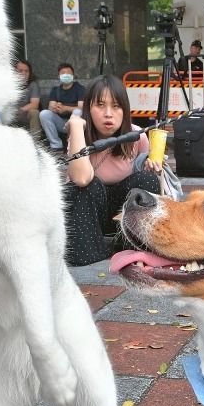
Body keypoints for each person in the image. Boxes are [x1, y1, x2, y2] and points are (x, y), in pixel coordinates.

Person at [64, 76, 160, 266]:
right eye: (100, 105)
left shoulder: (136, 135)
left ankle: (128, 243)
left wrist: (154, 167)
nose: (108, 114)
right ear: (88, 109)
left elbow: (150, 185)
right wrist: (75, 126)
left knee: (147, 179)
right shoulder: (79, 136)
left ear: (124, 110)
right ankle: (92, 248)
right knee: (87, 185)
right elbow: (81, 178)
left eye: (116, 106)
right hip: (88, 213)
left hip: (122, 213)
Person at [39, 62, 86, 150]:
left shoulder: (80, 89)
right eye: (63, 73)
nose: (66, 75)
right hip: (61, 123)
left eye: (69, 73)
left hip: (76, 124)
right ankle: (56, 145)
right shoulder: (55, 90)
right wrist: (56, 108)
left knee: (77, 111)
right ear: (58, 76)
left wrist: (66, 108)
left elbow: (81, 107)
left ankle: (73, 142)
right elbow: (50, 107)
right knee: (44, 114)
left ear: (73, 76)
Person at [12, 58, 41, 130]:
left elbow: (34, 104)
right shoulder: (9, 85)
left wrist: (20, 110)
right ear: (14, 72)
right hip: (11, 116)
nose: (23, 73)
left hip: (25, 114)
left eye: (26, 71)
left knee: (34, 112)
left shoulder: (33, 85)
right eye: (20, 71)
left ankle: (35, 139)